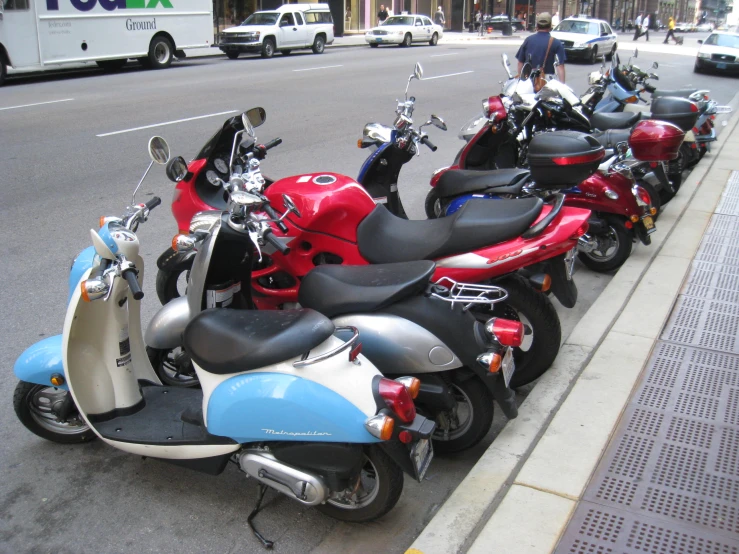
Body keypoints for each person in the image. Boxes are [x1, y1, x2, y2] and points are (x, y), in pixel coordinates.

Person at [516, 12, 566, 83]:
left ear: (537, 26)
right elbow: (560, 66)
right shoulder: (556, 43)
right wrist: (562, 86)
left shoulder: (528, 40)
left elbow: (520, 62)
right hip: (547, 81)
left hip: (528, 80)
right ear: (550, 26)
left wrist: (520, 79)